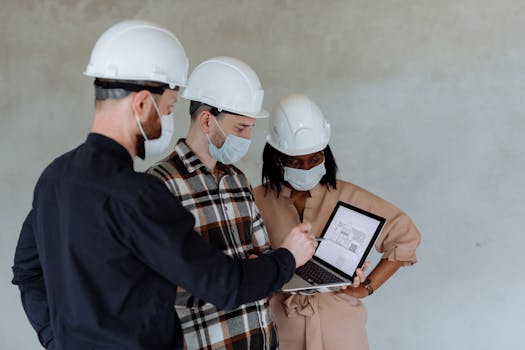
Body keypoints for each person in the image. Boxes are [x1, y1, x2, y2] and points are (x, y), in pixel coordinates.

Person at [11, 21, 317, 350]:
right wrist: (288, 258)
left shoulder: (55, 178)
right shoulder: (140, 194)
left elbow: (28, 271)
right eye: (169, 108)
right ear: (142, 104)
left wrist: (55, 340)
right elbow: (223, 285)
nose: (168, 122)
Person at [253, 93, 421, 350]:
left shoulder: (350, 196)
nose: (306, 167)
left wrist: (367, 287)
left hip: (340, 329)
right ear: (277, 157)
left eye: (314, 159)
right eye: (295, 162)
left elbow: (404, 235)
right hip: (280, 328)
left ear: (326, 154)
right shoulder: (256, 200)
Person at [146, 56, 280, 349]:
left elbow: (266, 261)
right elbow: (168, 285)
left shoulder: (238, 180)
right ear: (207, 120)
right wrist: (240, 277)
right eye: (240, 128)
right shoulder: (159, 185)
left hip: (262, 339)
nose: (247, 138)